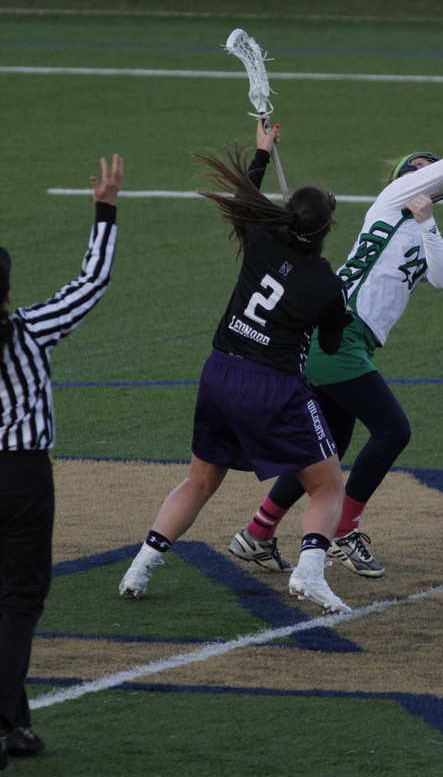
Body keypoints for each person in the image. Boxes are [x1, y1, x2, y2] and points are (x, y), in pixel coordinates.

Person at [229, 141, 443, 579]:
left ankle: (257, 532)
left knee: (329, 449)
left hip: (351, 341)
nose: (427, 172)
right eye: (417, 168)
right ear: (401, 177)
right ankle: (344, 530)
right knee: (393, 430)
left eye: (429, 170)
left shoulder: (418, 225)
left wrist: (429, 222)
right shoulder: (390, 201)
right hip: (338, 334)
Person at [119, 122, 353, 614]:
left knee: (199, 481)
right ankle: (310, 574)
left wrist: (263, 150)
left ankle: (140, 566)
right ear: (327, 230)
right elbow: (330, 344)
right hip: (273, 387)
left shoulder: (262, 238)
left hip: (220, 373)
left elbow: (246, 193)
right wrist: (339, 310)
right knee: (328, 486)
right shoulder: (326, 284)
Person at [0, 155, 123, 764]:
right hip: (22, 478)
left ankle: (14, 725)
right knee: (19, 599)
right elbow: (91, 283)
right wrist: (105, 209)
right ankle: (2, 718)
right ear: (6, 292)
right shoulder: (27, 331)